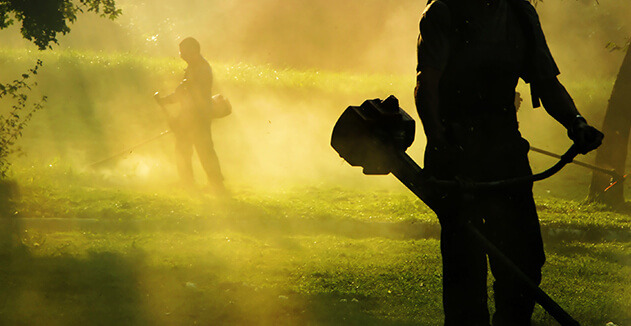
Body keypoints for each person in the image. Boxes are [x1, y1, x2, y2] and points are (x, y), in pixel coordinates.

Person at [414, 1, 603, 325]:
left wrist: (576, 123)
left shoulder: (520, 15)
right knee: (466, 268)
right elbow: (426, 85)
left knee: (525, 260)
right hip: (459, 156)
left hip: (505, 154)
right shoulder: (444, 11)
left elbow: (545, 82)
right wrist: (439, 142)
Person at [154, 37, 227, 196]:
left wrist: (175, 112)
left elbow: (186, 94)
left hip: (197, 117)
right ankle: (205, 183)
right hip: (195, 116)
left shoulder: (200, 70)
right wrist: (167, 102)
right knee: (196, 150)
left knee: (195, 150)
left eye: (183, 51)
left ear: (193, 51)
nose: (181, 55)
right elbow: (183, 93)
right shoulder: (196, 67)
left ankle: (198, 184)